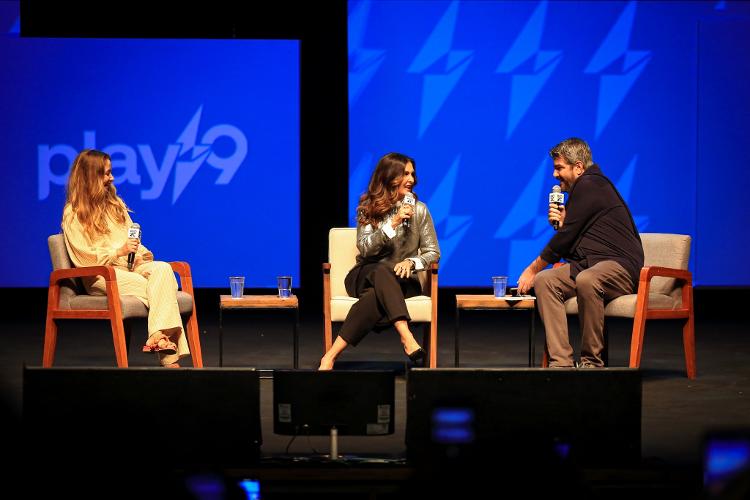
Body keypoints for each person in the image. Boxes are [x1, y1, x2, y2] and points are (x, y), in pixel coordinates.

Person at [517, 138, 643, 368]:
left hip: (619, 266)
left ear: (578, 167)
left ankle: (591, 363)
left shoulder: (591, 183)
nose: (554, 175)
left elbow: (564, 241)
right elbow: (577, 244)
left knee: (585, 279)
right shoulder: (583, 190)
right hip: (591, 264)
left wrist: (532, 268)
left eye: (559, 168)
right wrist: (564, 224)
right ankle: (561, 362)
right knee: (546, 281)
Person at [61, 149, 189, 368]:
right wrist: (118, 252)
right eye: (106, 173)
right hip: (101, 276)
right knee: (159, 288)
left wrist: (139, 254)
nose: (111, 178)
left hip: (129, 268)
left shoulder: (115, 206)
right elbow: (85, 258)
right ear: (91, 176)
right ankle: (169, 359)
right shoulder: (74, 214)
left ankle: (157, 336)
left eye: (111, 172)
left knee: (163, 270)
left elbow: (132, 240)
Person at [318, 152, 440, 370]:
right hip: (365, 274)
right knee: (383, 271)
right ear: (389, 176)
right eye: (405, 174)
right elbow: (365, 248)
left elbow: (433, 252)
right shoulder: (369, 208)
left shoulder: (420, 211)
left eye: (412, 174)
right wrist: (392, 223)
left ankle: (330, 357)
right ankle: (406, 335)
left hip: (402, 282)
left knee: (376, 295)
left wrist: (412, 262)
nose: (411, 179)